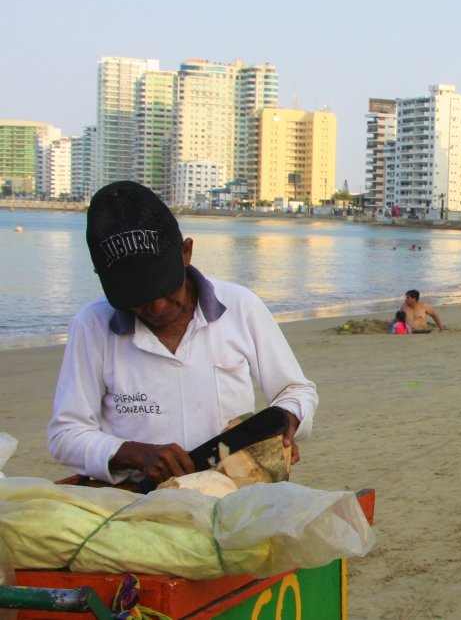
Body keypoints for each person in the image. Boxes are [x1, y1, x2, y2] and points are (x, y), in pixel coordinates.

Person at [47, 181, 318, 485]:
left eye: (164, 287)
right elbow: (66, 435)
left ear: (186, 252)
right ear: (105, 282)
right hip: (137, 499)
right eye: (137, 298)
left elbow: (296, 391)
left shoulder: (240, 306)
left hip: (233, 490)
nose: (158, 306)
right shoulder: (92, 324)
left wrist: (285, 422)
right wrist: (135, 454)